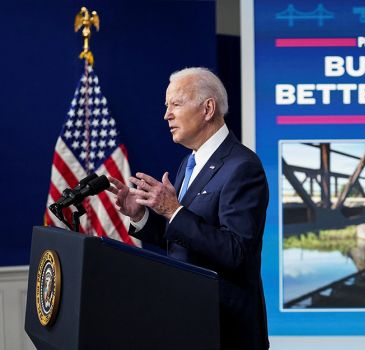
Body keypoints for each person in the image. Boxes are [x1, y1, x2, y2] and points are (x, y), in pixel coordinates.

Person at [107, 67, 269, 350]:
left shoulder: (243, 167)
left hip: (226, 331)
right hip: (189, 321)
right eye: (166, 106)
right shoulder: (189, 164)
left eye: (176, 104)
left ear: (208, 109)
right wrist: (141, 215)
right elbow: (182, 240)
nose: (166, 115)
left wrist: (173, 210)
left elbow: (237, 252)